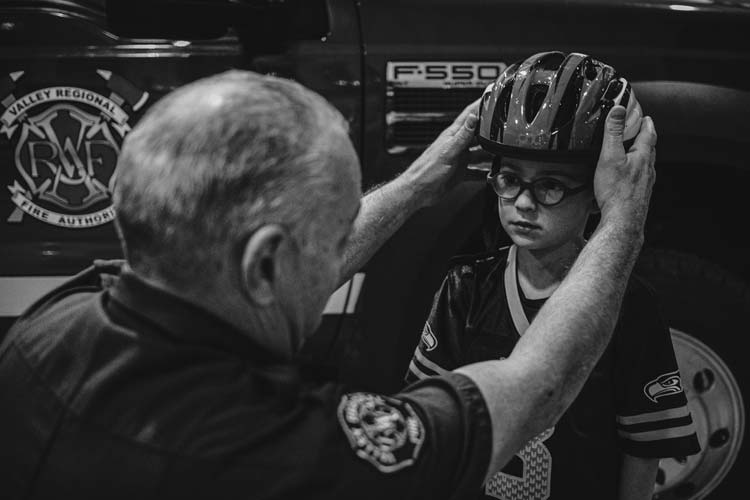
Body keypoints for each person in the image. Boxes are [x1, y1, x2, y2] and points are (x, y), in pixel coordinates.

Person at [0, 68, 656, 499]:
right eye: (337, 235)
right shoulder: (281, 450)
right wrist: (622, 219)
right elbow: (536, 390)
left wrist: (414, 186)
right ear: (264, 267)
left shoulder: (46, 330)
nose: (345, 255)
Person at [405, 52, 699, 500]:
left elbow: (644, 448)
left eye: (551, 185)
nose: (523, 203)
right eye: (509, 179)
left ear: (601, 193)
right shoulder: (465, 287)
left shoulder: (629, 304)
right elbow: (430, 426)